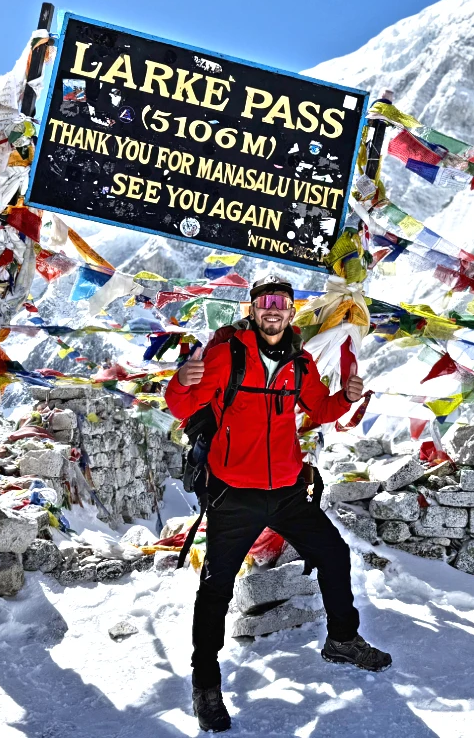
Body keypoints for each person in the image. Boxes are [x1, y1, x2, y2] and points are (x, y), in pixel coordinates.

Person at [165, 274, 392, 733]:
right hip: (236, 494)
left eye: (282, 303)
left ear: (292, 313)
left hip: (287, 491)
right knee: (215, 590)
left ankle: (342, 639)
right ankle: (205, 684)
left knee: (334, 554)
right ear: (252, 310)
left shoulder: (300, 362)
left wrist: (344, 399)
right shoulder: (225, 356)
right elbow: (182, 407)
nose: (273, 309)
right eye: (264, 301)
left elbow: (319, 410)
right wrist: (181, 380)